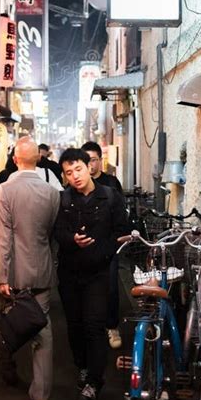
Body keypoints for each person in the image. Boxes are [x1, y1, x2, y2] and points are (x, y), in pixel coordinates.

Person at [54, 148, 128, 400]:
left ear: (89, 167)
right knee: (74, 325)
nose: (75, 176)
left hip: (99, 273)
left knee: (94, 325)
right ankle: (83, 368)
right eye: (69, 172)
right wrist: (71, 239)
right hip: (69, 273)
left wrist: (103, 250)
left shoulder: (110, 197)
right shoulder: (63, 200)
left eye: (78, 169)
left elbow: (122, 231)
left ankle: (94, 384)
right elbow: (57, 232)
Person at [0, 137, 60, 400]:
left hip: (14, 272)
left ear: (15, 159)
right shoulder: (52, 192)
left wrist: (2, 275)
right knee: (42, 331)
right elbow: (53, 234)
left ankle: (8, 369)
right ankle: (40, 397)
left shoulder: (5, 190)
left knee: (8, 321)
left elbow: (4, 238)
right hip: (42, 269)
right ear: (38, 159)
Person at [81, 141, 124, 350]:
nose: (91, 164)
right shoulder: (78, 184)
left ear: (100, 160)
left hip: (108, 245)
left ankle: (112, 326)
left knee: (111, 287)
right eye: (86, 160)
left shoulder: (111, 183)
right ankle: (90, 329)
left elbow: (121, 214)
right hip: (84, 247)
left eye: (94, 160)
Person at [0, 149, 62, 234]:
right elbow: (60, 196)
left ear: (14, 158)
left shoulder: (8, 175)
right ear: (38, 157)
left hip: (17, 227)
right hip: (42, 226)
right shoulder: (46, 173)